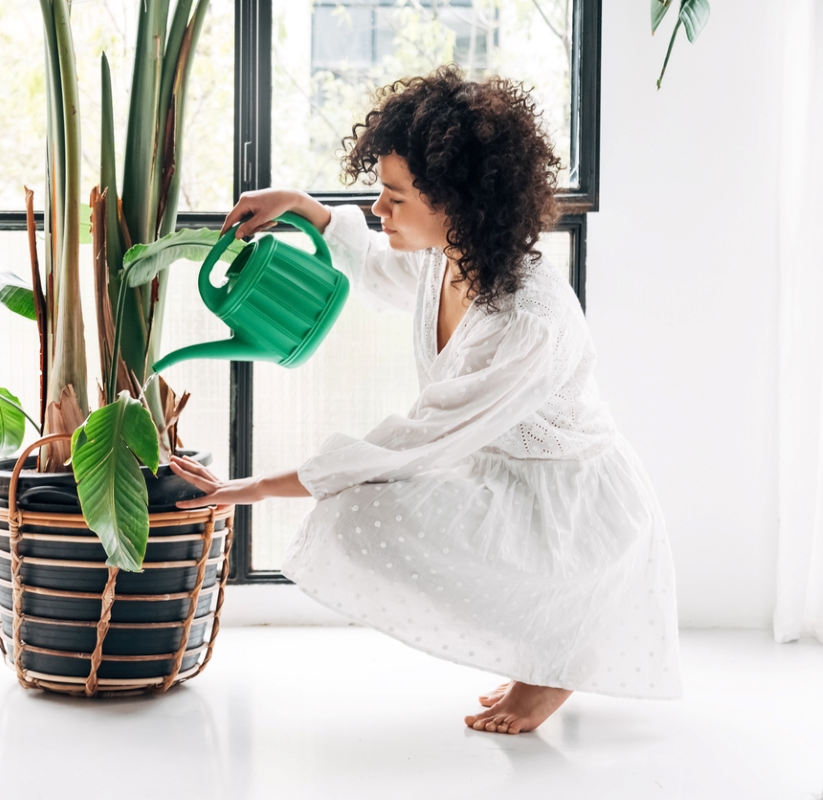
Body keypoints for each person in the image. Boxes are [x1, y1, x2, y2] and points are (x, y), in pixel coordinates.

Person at [169, 64, 683, 735]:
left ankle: (560, 653)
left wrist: (256, 488)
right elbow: (383, 274)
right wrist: (300, 205)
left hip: (569, 514)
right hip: (498, 476)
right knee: (352, 513)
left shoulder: (527, 320)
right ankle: (547, 644)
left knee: (351, 512)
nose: (379, 209)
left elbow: (414, 442)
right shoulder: (454, 254)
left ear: (460, 202)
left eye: (395, 197)